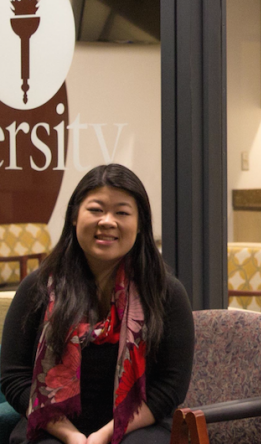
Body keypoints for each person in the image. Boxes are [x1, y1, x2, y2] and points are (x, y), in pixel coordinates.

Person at [1, 164, 195, 444]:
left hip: (137, 427)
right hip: (52, 426)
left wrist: (104, 436)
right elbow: (14, 378)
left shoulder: (165, 293)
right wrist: (71, 436)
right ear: (74, 217)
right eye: (96, 209)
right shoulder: (37, 287)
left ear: (140, 224)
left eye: (122, 212)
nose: (107, 221)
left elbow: (169, 389)